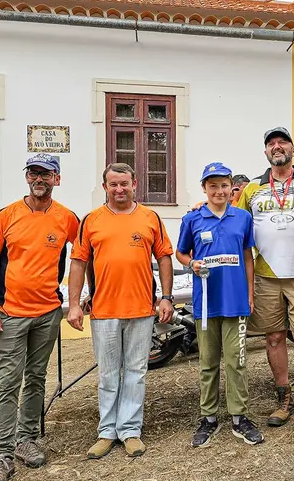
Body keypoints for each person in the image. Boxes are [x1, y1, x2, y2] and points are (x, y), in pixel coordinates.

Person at [0, 154, 80, 481]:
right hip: (10, 314)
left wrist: (83, 297)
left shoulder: (66, 218)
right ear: (27, 178)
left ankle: (26, 440)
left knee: (36, 379)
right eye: (34, 173)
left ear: (57, 179)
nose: (40, 179)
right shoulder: (6, 216)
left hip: (48, 313)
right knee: (8, 383)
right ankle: (2, 455)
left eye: (46, 174)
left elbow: (85, 255)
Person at [66, 162, 175, 459]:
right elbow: (78, 262)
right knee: (109, 373)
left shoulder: (150, 218)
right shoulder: (92, 220)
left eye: (124, 183)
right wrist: (75, 303)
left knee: (137, 372)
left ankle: (130, 430)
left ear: (134, 184)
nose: (119, 189)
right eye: (113, 184)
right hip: (103, 309)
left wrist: (166, 297)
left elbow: (164, 257)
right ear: (105, 187)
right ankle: (106, 431)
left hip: (141, 308)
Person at [236, 127, 294, 439]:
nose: (277, 147)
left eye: (282, 142)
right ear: (265, 152)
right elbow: (236, 224)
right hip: (265, 275)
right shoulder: (252, 189)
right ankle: (283, 399)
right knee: (274, 339)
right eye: (271, 143)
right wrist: (204, 209)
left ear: (293, 148)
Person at [175, 162, 263, 447]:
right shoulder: (193, 219)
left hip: (236, 301)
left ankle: (239, 418)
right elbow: (180, 253)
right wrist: (192, 263)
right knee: (208, 362)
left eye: (224, 185)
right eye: (213, 186)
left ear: (232, 188)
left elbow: (248, 256)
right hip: (206, 302)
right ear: (204, 188)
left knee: (237, 361)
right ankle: (209, 418)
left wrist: (250, 292)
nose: (219, 191)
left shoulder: (242, 218)